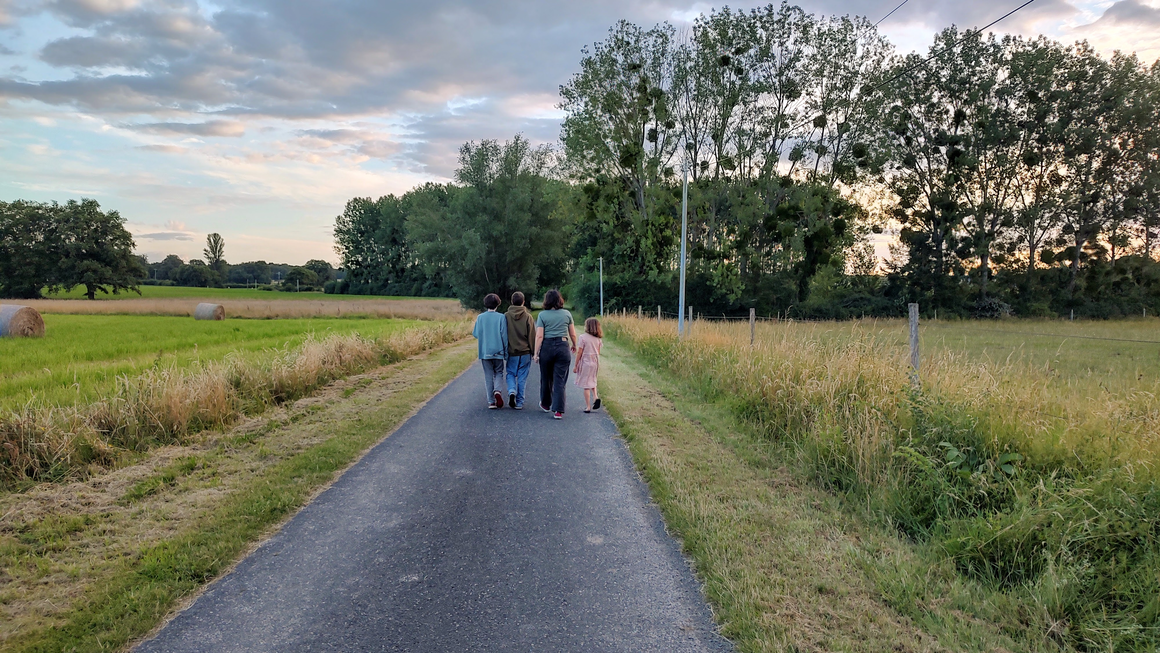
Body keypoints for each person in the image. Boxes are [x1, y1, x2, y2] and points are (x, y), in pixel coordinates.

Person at [533, 289, 577, 419]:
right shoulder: (567, 314)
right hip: (562, 346)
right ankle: (558, 410)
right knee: (560, 379)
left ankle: (546, 404)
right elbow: (573, 333)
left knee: (546, 378)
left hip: (547, 347)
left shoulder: (542, 315)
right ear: (560, 300)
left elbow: (539, 336)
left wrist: (536, 353)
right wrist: (574, 345)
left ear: (546, 301)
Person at [472, 293, 508, 409]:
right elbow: (504, 335)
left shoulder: (480, 317)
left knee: (488, 375)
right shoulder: (501, 317)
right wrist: (506, 352)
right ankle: (497, 390)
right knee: (499, 372)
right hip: (498, 351)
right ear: (498, 304)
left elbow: (476, 334)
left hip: (485, 351)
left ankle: (491, 401)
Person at [504, 291, 535, 410]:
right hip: (525, 352)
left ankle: (512, 390)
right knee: (522, 377)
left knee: (511, 373)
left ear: (512, 302)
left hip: (512, 352)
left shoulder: (506, 316)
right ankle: (519, 402)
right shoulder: (528, 316)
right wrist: (533, 351)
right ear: (523, 302)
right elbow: (531, 335)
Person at [573, 317, 603, 413]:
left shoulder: (583, 337)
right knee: (592, 379)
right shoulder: (598, 339)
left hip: (586, 361)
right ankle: (595, 397)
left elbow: (579, 352)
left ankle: (588, 407)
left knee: (586, 384)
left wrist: (576, 365)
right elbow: (598, 352)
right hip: (595, 361)